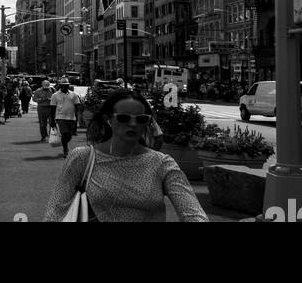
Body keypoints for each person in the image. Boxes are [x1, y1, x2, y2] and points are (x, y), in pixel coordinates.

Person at [43, 90, 207, 222]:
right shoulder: (82, 157)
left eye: (141, 119)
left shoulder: (162, 163)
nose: (133, 124)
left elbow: (192, 212)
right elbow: (56, 209)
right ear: (109, 120)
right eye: (123, 118)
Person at [52, 78, 79, 156]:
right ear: (60, 86)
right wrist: (52, 120)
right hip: (60, 117)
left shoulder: (73, 95)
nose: (65, 87)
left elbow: (77, 106)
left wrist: (77, 117)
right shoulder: (55, 95)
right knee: (64, 133)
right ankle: (65, 149)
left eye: (66, 85)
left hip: (71, 118)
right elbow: (53, 109)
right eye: (63, 85)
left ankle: (64, 143)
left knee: (69, 135)